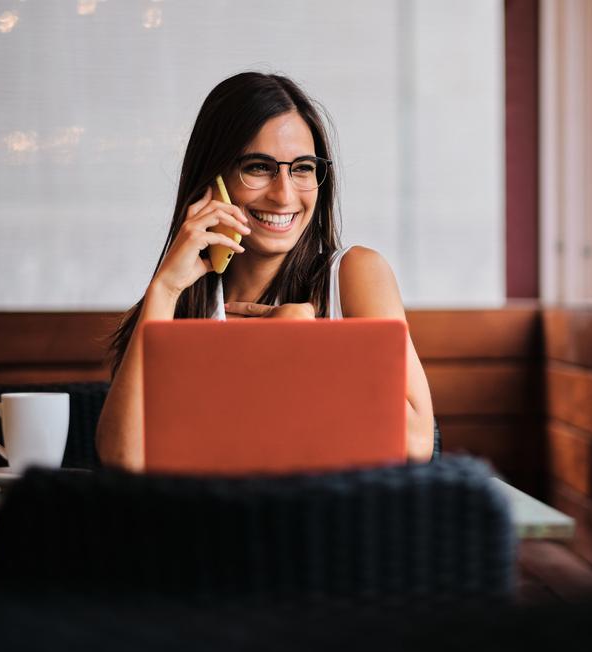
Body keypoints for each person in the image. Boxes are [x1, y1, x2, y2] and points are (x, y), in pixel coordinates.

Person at [96, 72, 434, 469]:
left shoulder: (353, 275)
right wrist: (164, 290)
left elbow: (415, 444)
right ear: (213, 178)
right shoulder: (179, 303)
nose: (284, 194)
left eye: (302, 168)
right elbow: (123, 459)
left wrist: (305, 349)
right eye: (259, 167)